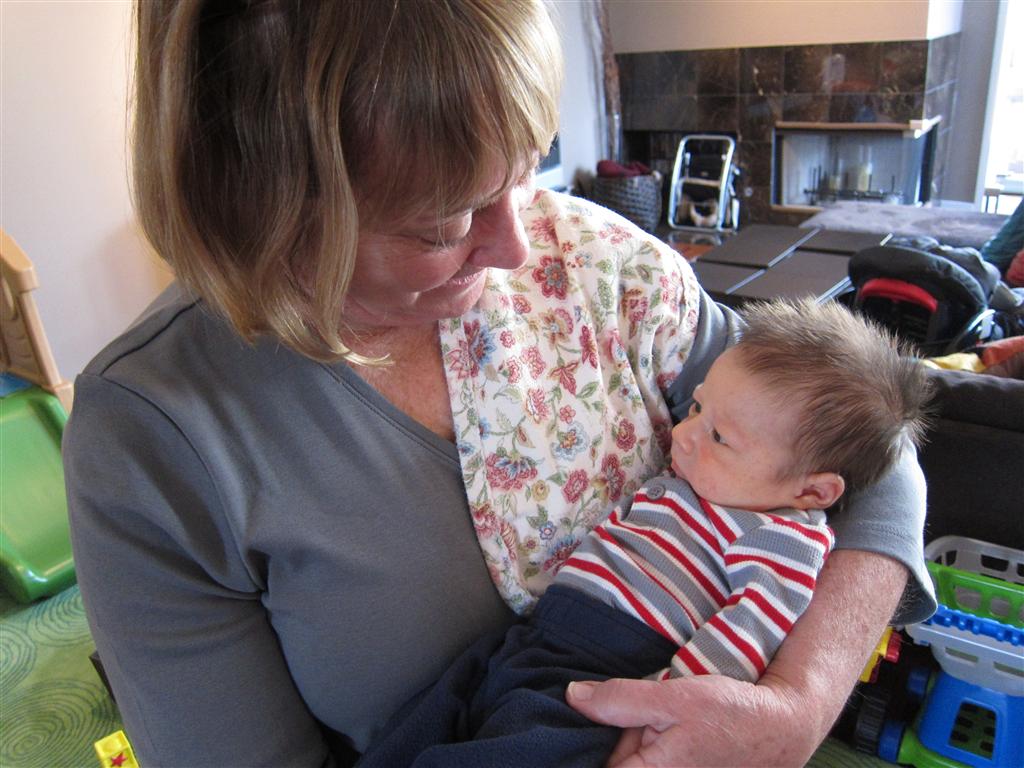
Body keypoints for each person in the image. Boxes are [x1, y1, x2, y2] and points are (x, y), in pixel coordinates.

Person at [64, 2, 935, 766]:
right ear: (266, 202)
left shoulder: (604, 266)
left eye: (525, 170)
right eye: (443, 223)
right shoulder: (155, 432)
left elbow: (866, 445)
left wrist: (799, 703)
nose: (519, 248)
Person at [356, 298, 932, 768]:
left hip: (616, 668)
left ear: (813, 491)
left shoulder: (782, 535)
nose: (684, 434)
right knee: (419, 728)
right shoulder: (706, 480)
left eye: (720, 437)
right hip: (537, 638)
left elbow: (747, 629)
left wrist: (664, 702)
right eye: (697, 409)